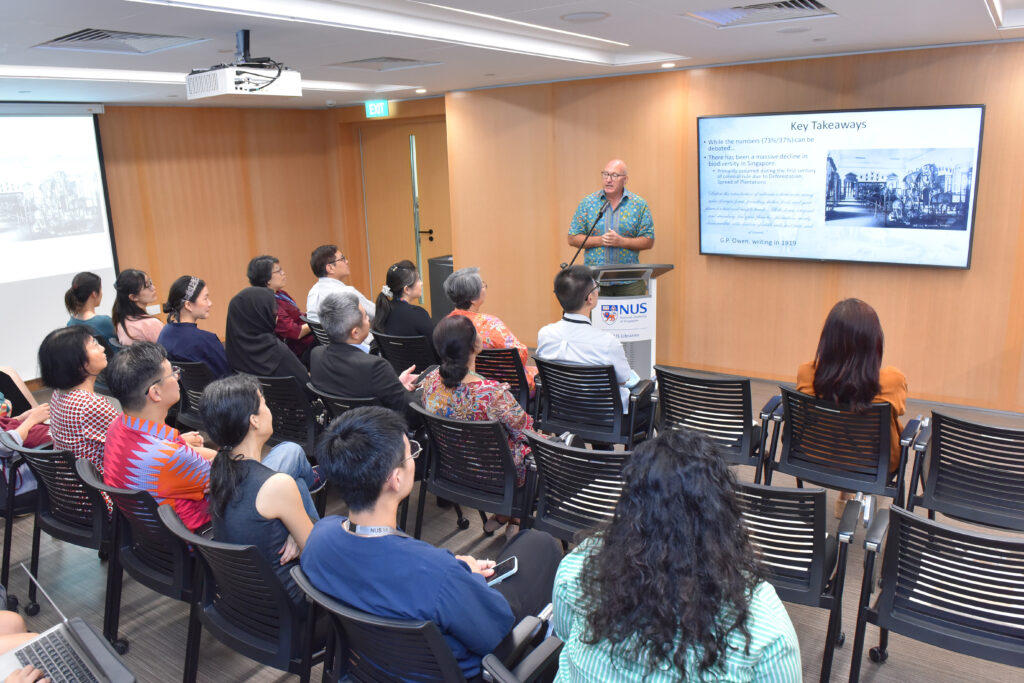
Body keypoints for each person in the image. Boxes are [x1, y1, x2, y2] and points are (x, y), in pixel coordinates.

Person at [302, 406, 562, 680]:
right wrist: (461, 577)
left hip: (370, 666)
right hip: (459, 671)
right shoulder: (438, 575)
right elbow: (498, 633)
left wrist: (455, 567)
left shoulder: (319, 539)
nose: (414, 458)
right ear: (396, 478)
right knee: (540, 544)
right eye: (410, 453)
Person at [552, 429, 801, 682]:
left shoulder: (577, 569)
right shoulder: (766, 631)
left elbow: (562, 637)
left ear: (630, 504)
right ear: (723, 512)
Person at [102, 342, 318, 531]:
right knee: (292, 452)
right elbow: (237, 476)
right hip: (209, 533)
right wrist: (207, 457)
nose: (178, 377)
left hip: (157, 534)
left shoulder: (117, 427)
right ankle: (314, 497)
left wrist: (194, 451)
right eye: (172, 373)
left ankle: (305, 529)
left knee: (296, 484)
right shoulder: (168, 457)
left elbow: (211, 466)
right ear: (155, 393)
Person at [202, 374, 318, 608]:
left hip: (243, 600)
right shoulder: (276, 486)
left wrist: (296, 532)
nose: (269, 409)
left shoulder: (220, 470)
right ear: (254, 420)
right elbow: (317, 557)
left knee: (298, 483)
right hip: (289, 606)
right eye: (264, 404)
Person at [420, 315, 532, 536]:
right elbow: (525, 431)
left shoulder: (430, 382)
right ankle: (517, 516)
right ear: (475, 345)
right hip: (498, 475)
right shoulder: (492, 394)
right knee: (540, 449)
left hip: (454, 470)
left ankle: (504, 515)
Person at [796, 298, 907, 516]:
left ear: (827, 339)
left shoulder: (807, 374)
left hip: (813, 455)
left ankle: (845, 496)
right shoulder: (892, 381)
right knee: (885, 425)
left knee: (839, 420)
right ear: (874, 340)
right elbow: (899, 411)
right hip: (872, 465)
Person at [536, 265, 640, 413]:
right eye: (596, 286)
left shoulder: (545, 334)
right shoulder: (607, 342)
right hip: (605, 417)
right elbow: (623, 379)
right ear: (590, 298)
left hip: (561, 412)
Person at [311, 292, 420, 425]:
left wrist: (395, 385)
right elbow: (412, 415)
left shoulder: (316, 355)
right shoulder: (375, 367)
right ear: (355, 333)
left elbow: (358, 389)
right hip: (378, 434)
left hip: (341, 431)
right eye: (364, 316)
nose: (368, 318)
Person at [37, 327, 118, 476]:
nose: (102, 348)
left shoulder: (59, 394)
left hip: (73, 488)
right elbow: (128, 445)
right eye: (94, 344)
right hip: (103, 490)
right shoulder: (91, 405)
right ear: (78, 363)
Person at [568, 159, 654, 297]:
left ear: (625, 180)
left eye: (614, 175)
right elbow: (572, 238)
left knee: (634, 319)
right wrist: (601, 240)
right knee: (593, 319)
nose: (608, 180)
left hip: (630, 282)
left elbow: (648, 240)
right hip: (594, 281)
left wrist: (622, 242)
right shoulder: (588, 203)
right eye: (605, 174)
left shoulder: (639, 205)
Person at [443, 267, 537, 392]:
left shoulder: (445, 324)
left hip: (462, 384)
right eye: (483, 285)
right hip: (507, 387)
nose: (485, 288)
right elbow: (520, 355)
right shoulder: (491, 324)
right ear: (473, 298)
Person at [224, 287, 309, 384]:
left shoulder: (232, 350)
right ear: (260, 315)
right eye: (272, 311)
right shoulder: (278, 352)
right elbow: (306, 386)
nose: (277, 315)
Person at [157, 275, 231, 378]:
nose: (210, 303)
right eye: (205, 298)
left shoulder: (165, 333)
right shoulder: (206, 340)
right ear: (188, 305)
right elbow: (228, 377)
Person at [247, 255, 314, 364]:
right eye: (278, 271)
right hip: (295, 351)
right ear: (267, 279)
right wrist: (317, 323)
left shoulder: (280, 294)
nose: (283, 273)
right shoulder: (268, 303)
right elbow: (295, 332)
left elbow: (299, 316)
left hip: (306, 341)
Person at [373, 259, 435, 356]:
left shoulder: (384, 311)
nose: (422, 283)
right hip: (423, 370)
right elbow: (436, 350)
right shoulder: (419, 314)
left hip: (395, 370)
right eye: (418, 279)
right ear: (406, 289)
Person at [305, 244, 375, 326]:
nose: (347, 261)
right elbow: (377, 314)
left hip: (326, 339)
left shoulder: (312, 292)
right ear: (330, 268)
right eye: (343, 259)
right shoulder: (346, 292)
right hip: (352, 338)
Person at [111, 269, 164, 345]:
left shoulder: (121, 322)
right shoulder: (150, 324)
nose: (153, 288)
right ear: (133, 297)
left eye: (150, 283)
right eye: (148, 286)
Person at [64, 271, 115, 341]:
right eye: (101, 289)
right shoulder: (105, 322)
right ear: (94, 294)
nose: (102, 293)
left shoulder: (71, 323)